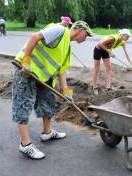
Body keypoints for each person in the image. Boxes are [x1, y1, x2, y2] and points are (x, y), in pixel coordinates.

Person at [12, 20, 93, 159]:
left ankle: (47, 132)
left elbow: (62, 71)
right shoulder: (60, 30)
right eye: (86, 35)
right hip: (26, 70)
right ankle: (25, 145)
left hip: (43, 76)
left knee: (48, 102)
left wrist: (67, 93)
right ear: (80, 30)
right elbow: (35, 37)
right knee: (24, 104)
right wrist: (26, 61)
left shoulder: (67, 48)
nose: (86, 39)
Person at [92, 29, 132, 95]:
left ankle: (108, 87)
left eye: (129, 37)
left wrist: (131, 64)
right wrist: (109, 52)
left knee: (109, 68)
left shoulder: (123, 42)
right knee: (96, 68)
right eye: (127, 36)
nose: (128, 38)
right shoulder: (113, 38)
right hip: (98, 49)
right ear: (122, 35)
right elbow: (100, 44)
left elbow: (126, 53)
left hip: (106, 50)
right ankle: (95, 87)